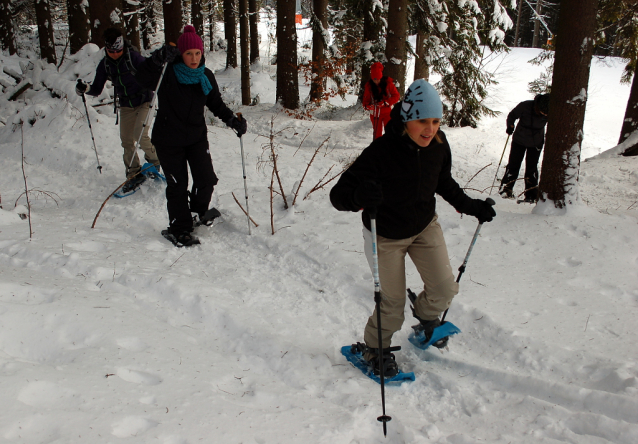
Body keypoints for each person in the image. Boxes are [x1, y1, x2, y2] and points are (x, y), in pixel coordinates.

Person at [330, 79, 496, 377]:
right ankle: (374, 348)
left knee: (445, 287)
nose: (430, 129)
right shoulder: (381, 152)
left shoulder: (439, 145)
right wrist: (359, 197)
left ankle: (426, 318)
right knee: (391, 304)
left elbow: (443, 182)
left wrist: (472, 206)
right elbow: (338, 196)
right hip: (385, 235)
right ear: (407, 118)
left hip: (423, 227)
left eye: (435, 121)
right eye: (422, 121)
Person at [134, 25, 247, 247]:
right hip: (168, 139)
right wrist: (157, 58)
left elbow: (216, 104)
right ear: (180, 54)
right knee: (178, 185)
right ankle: (179, 227)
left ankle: (196, 213)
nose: (194, 58)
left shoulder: (205, 76)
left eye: (197, 53)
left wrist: (232, 120)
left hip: (196, 137)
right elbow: (141, 77)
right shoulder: (167, 73)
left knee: (206, 179)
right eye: (188, 53)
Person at [76, 28, 160, 193]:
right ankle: (133, 173)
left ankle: (155, 160)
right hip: (126, 104)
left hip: (144, 100)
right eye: (111, 51)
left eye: (118, 51)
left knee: (139, 134)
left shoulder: (133, 58)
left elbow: (151, 74)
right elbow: (96, 89)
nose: (115, 54)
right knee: (127, 140)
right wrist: (84, 88)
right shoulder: (105, 64)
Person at [499, 93, 550, 202]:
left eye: (545, 114)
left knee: (531, 169)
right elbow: (512, 115)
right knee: (513, 165)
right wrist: (510, 126)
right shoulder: (525, 106)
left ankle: (531, 195)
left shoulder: (551, 110)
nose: (543, 115)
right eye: (542, 112)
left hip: (536, 142)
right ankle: (506, 189)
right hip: (519, 140)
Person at [361, 62, 400, 140]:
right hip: (375, 114)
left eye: (378, 79)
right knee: (377, 134)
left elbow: (396, 96)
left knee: (390, 132)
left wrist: (386, 102)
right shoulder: (369, 86)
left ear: (381, 77)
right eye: (374, 79)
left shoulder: (388, 83)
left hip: (387, 112)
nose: (376, 81)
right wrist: (368, 106)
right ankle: (377, 150)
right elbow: (365, 102)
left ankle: (390, 149)